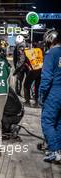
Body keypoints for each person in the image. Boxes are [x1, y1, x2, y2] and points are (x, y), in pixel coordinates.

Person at [39, 29, 61, 163]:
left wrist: (41, 94)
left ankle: (54, 151)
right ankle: (58, 149)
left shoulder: (52, 53)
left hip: (55, 92)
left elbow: (46, 77)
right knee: (59, 122)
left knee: (47, 121)